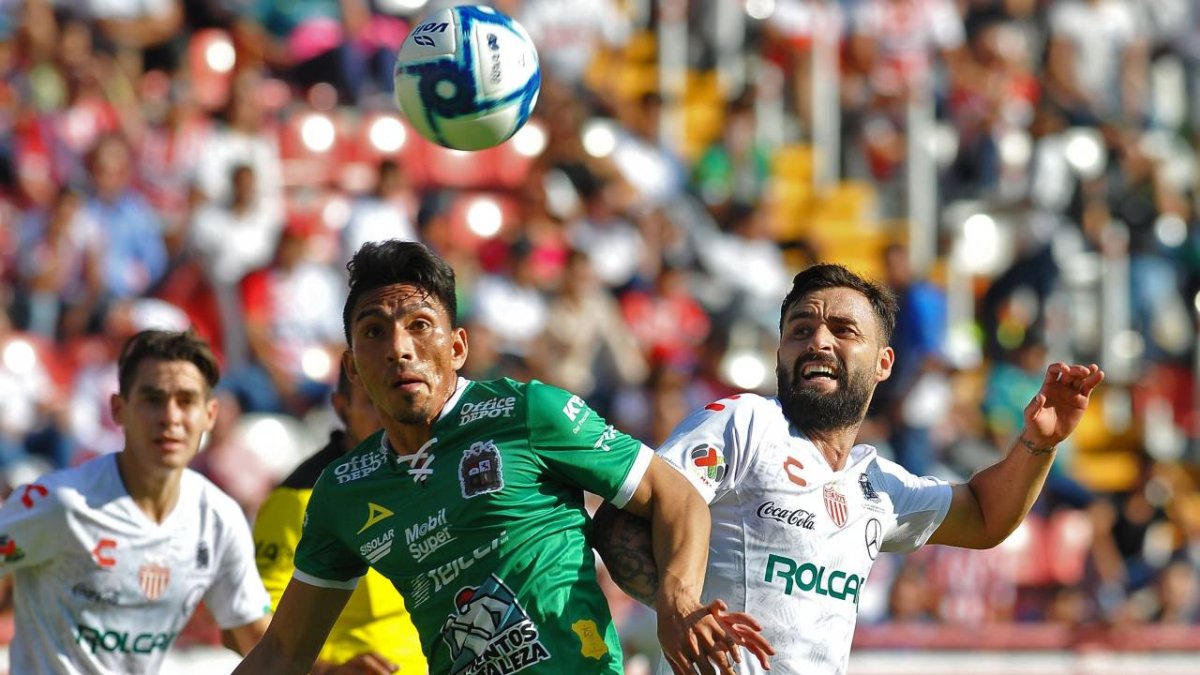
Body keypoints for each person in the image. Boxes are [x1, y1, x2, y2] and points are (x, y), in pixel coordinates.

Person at [235, 240, 764, 675]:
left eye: (419, 325)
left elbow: (675, 493)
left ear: (458, 347)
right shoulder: (342, 491)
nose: (399, 347)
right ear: (352, 368)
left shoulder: (530, 411)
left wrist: (678, 600)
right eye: (375, 331)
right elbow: (282, 652)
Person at [593, 263, 1105, 674]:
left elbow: (987, 516)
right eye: (801, 329)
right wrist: (676, 601)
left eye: (842, 330)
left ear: (884, 363)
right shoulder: (745, 422)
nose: (818, 341)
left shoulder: (879, 486)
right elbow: (654, 499)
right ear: (780, 353)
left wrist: (1039, 443)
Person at [0, 329, 272, 674]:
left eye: (186, 401)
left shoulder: (218, 517)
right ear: (118, 409)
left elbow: (263, 645)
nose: (170, 417)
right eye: (153, 399)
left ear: (210, 415)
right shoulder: (60, 504)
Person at [253, 363, 426, 674]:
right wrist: (328, 671)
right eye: (372, 402)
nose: (388, 413)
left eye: (396, 396)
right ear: (341, 408)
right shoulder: (298, 497)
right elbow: (253, 627)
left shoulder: (435, 474)